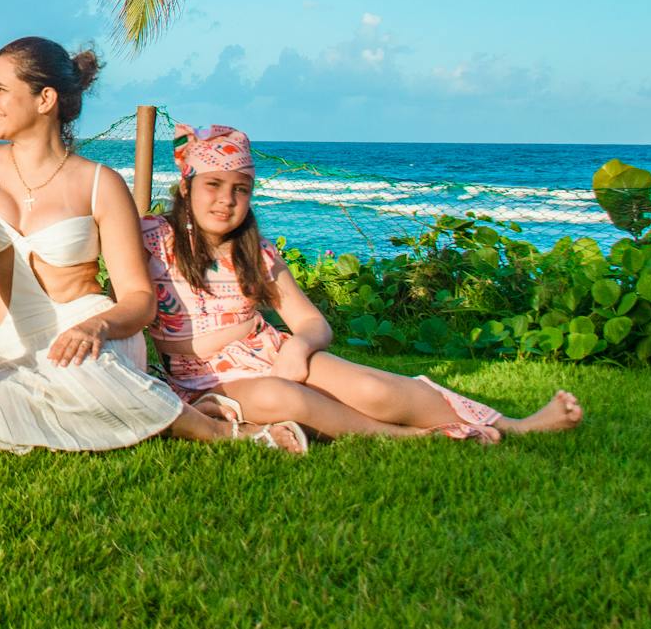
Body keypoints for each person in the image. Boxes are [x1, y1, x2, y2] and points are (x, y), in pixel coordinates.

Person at [141, 123, 586, 444]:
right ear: (186, 188)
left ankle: (515, 424)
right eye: (213, 184)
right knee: (282, 396)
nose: (227, 199)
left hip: (269, 353)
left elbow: (311, 323)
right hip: (202, 378)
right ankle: (407, 439)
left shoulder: (256, 253)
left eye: (241, 188)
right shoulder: (151, 238)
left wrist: (298, 346)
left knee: (377, 389)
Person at [0, 39, 303, 452]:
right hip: (15, 348)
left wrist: (95, 327)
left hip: (97, 334)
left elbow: (140, 300)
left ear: (44, 99)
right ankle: (161, 403)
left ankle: (222, 432)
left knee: (79, 375)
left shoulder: (99, 184)